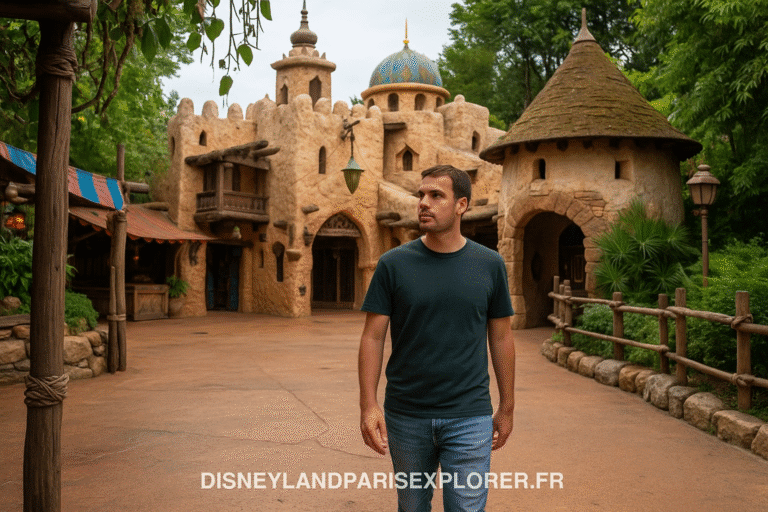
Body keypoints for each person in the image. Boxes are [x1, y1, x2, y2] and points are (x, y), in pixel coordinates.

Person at [358, 164, 516, 512]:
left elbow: (502, 338)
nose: (424, 203)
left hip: (469, 415)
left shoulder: (489, 264)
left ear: (461, 204)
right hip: (406, 415)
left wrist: (506, 407)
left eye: (436, 195)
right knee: (412, 507)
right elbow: (372, 337)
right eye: (421, 195)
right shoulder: (393, 264)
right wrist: (368, 404)